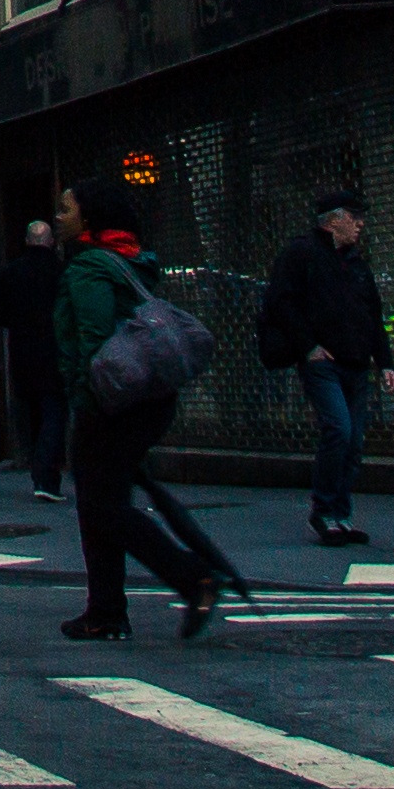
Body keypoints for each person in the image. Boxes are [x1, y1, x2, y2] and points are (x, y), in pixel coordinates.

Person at [53, 201, 232, 645]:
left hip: (110, 400)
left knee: (100, 507)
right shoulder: (133, 261)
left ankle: (193, 578)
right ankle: (106, 612)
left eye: (67, 208)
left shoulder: (89, 268)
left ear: (90, 220)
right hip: (150, 398)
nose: (59, 217)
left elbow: (92, 339)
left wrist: (83, 391)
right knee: (105, 501)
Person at [257, 190, 394, 547]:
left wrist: (385, 362)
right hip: (324, 363)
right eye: (354, 216)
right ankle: (324, 511)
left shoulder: (355, 262)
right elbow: (280, 302)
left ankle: (341, 515)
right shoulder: (302, 254)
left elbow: (372, 315)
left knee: (353, 442)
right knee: (339, 429)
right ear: (333, 220)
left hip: (356, 363)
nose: (360, 223)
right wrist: (308, 347)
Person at [0, 202, 71, 494]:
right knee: (54, 410)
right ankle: (46, 475)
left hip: (22, 350)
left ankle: (35, 465)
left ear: (27, 241)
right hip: (54, 351)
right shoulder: (62, 272)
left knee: (32, 409)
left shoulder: (10, 273)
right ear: (50, 242)